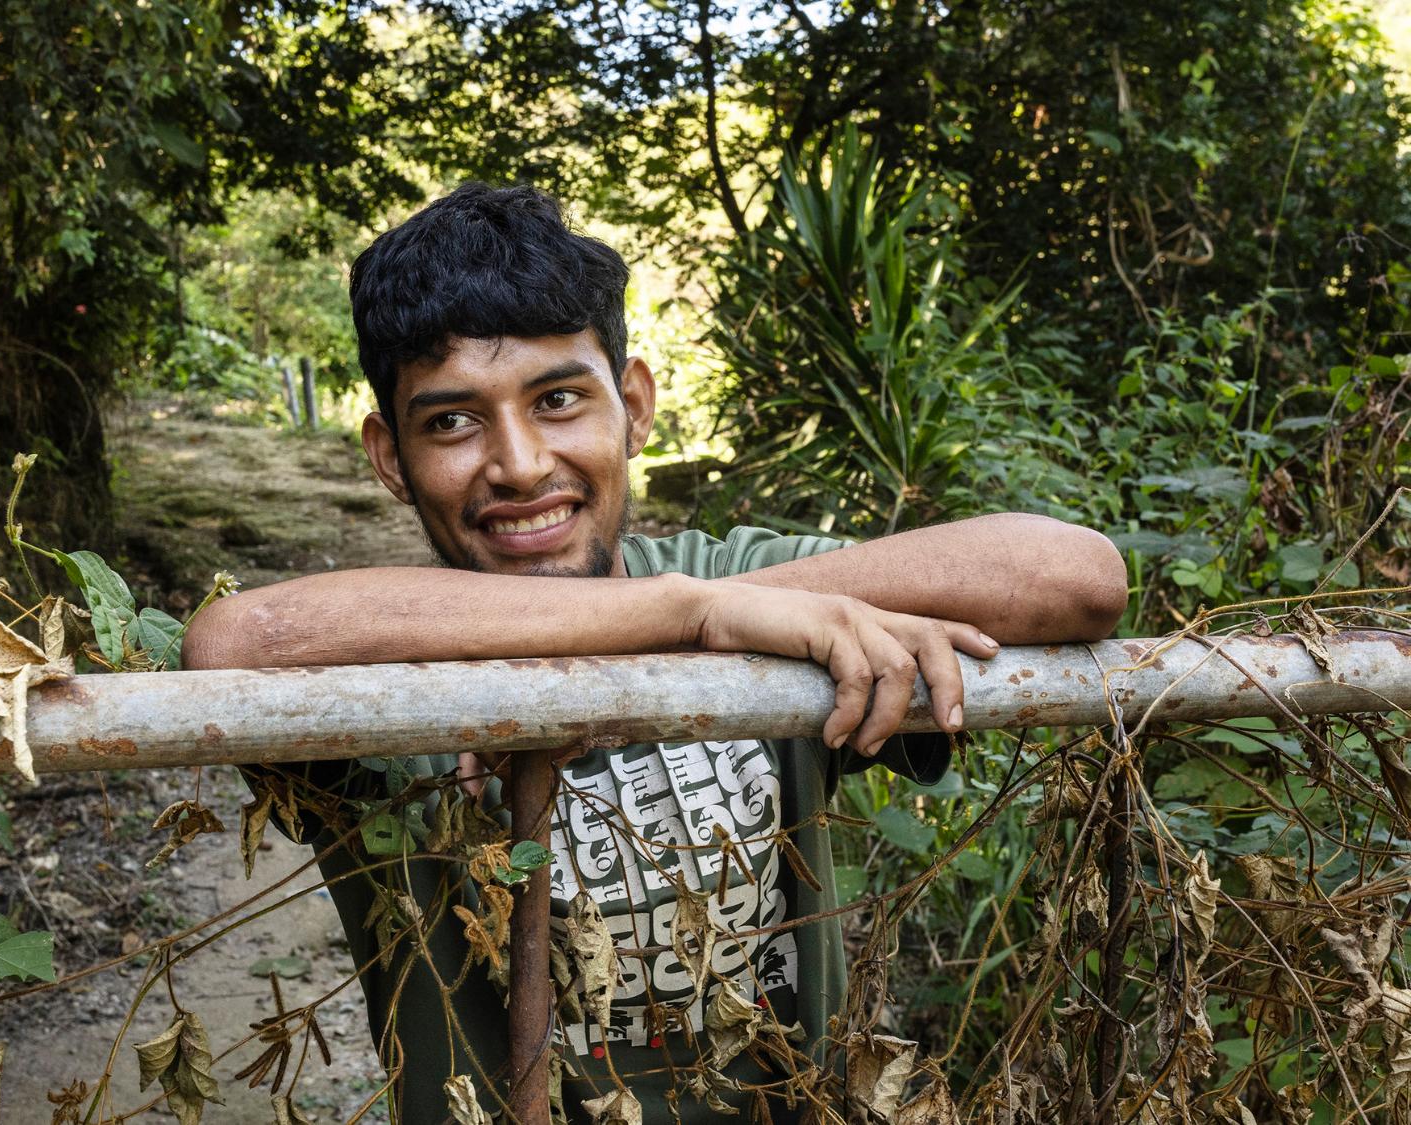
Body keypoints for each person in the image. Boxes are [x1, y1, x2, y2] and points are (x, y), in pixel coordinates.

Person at [181, 183, 1126, 1122]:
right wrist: (683, 617)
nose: (517, 464)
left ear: (634, 405)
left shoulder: (743, 578)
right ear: (390, 457)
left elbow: (1076, 574)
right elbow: (231, 643)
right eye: (453, 421)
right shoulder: (411, 647)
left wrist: (711, 604)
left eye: (558, 399)